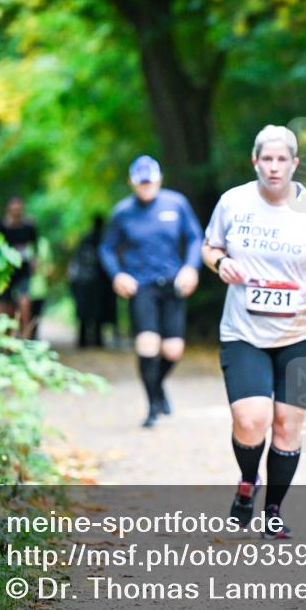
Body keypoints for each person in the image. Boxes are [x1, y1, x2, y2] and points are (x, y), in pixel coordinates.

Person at [202, 125, 306, 540]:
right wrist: (219, 264)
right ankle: (248, 482)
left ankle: (275, 510)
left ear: (295, 164)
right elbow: (210, 247)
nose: (275, 167)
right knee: (251, 419)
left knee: (286, 425)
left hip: (304, 332)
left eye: (283, 159)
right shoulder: (233, 202)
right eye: (267, 159)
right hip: (244, 331)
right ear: (255, 161)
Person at [99, 155, 203, 427]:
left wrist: (191, 268)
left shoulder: (176, 204)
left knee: (172, 351)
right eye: (141, 182)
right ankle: (151, 408)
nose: (146, 186)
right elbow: (107, 249)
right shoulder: (122, 212)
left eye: (150, 181)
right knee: (147, 345)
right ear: (133, 183)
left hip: (172, 284)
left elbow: (195, 238)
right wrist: (117, 275)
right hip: (141, 285)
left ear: (158, 179)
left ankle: (157, 387)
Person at [0, 196, 38, 338]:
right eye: (14, 208)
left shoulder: (29, 226)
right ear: (9, 209)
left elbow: (35, 246)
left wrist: (35, 260)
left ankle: (26, 337)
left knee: (25, 303)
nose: (16, 211)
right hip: (6, 271)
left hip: (23, 269)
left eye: (19, 208)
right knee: (8, 308)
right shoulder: (1, 226)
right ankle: (7, 341)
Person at [69, 215, 117, 348]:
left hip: (85, 281)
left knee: (86, 313)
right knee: (97, 312)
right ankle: (96, 340)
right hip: (99, 282)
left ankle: (84, 340)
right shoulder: (104, 239)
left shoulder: (86, 239)